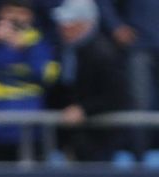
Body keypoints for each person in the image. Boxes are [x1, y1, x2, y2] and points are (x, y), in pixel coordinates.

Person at [49, 0, 133, 162]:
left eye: (69, 22)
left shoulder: (104, 54)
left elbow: (117, 97)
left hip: (98, 140)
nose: (62, 27)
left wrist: (84, 110)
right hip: (72, 138)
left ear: (84, 24)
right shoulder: (65, 51)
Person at [0, 0, 58, 162]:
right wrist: (0, 44)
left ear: (30, 16)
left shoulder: (40, 43)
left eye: (21, 12)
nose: (15, 17)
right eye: (10, 11)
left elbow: (45, 74)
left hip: (30, 129)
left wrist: (27, 48)